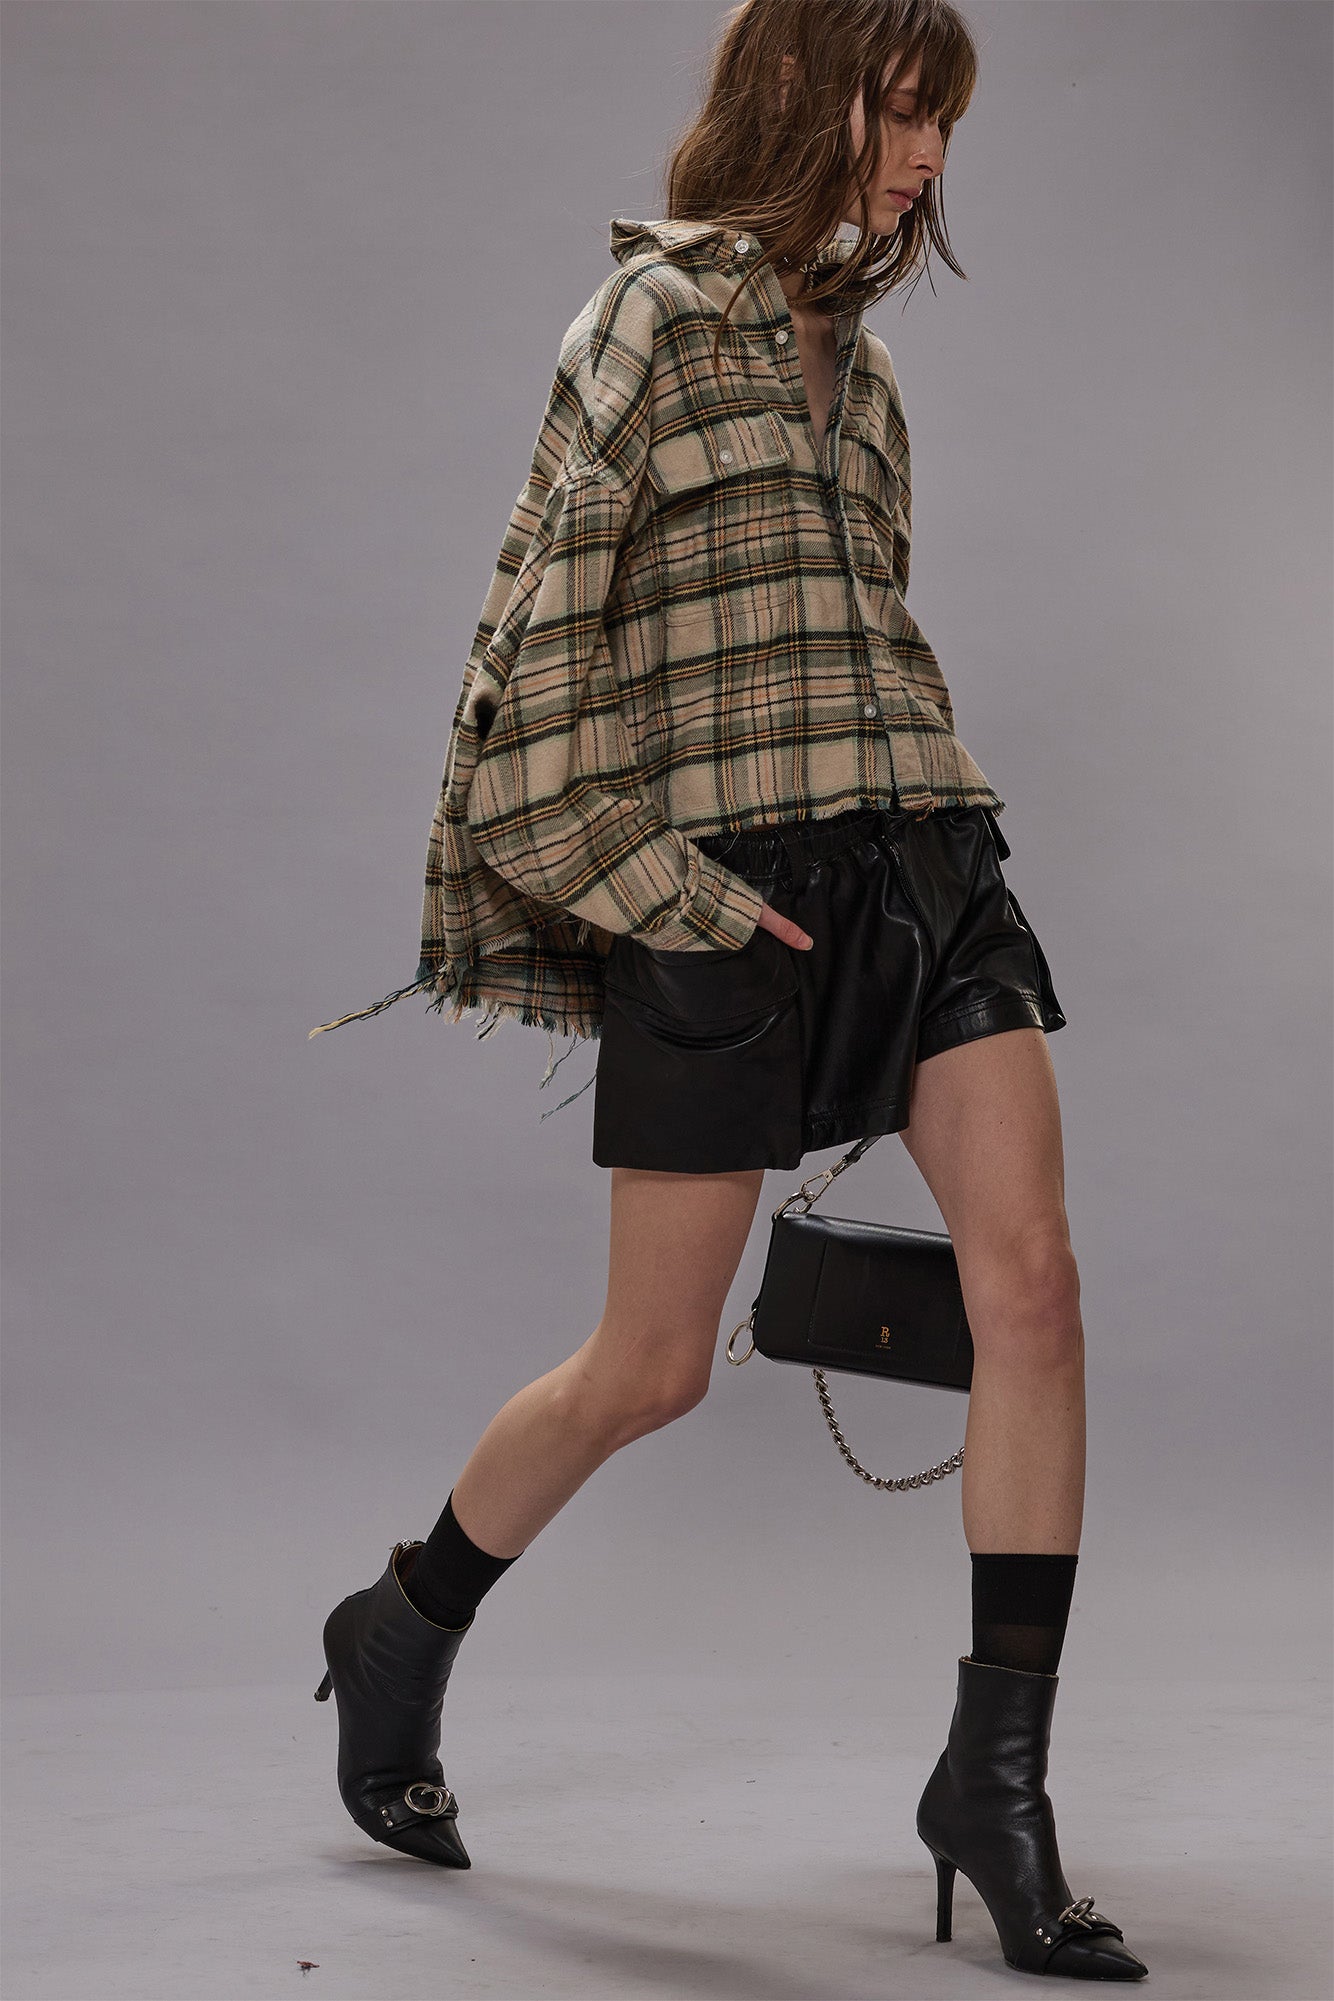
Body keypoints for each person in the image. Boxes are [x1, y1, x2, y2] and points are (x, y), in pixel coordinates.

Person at [308, 0, 1148, 1981]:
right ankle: (402, 1623)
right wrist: (668, 895)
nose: (923, 156)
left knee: (1032, 1282)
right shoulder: (651, 322)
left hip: (926, 865)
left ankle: (994, 1784)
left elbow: (870, 640)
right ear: (797, 85)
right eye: (900, 107)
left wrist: (903, 837)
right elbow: (527, 674)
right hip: (726, 899)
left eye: (943, 124)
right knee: (652, 1364)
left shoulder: (868, 381)